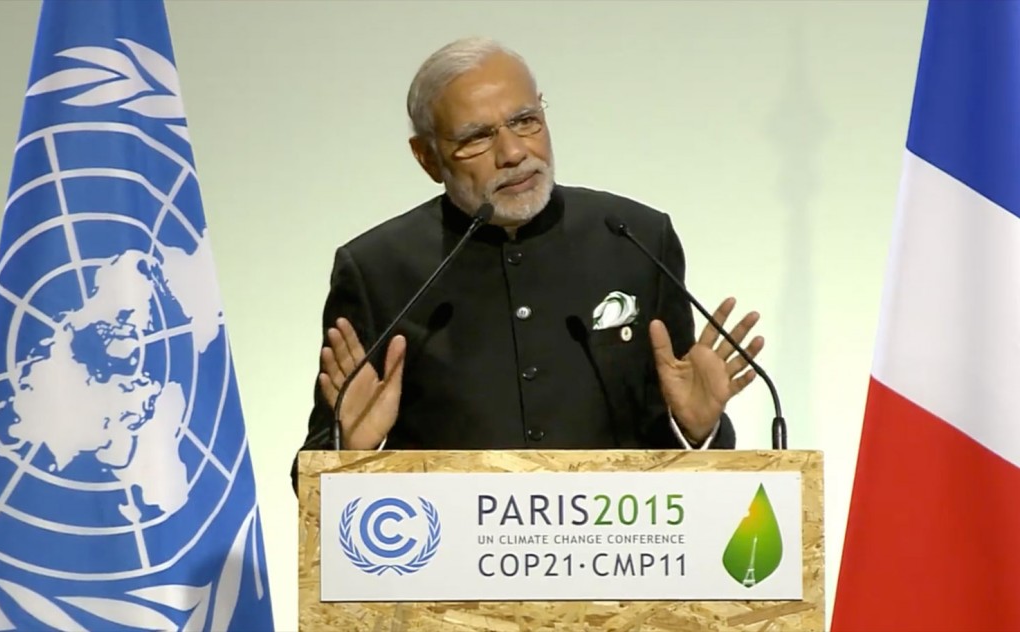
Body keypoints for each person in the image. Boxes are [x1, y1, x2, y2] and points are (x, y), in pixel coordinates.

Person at [291, 37, 764, 492]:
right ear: (427, 158)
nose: (514, 153)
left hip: (613, 560)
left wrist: (697, 428)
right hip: (449, 569)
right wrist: (351, 450)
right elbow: (311, 471)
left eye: (525, 120)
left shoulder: (635, 238)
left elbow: (685, 455)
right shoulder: (378, 269)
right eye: (476, 137)